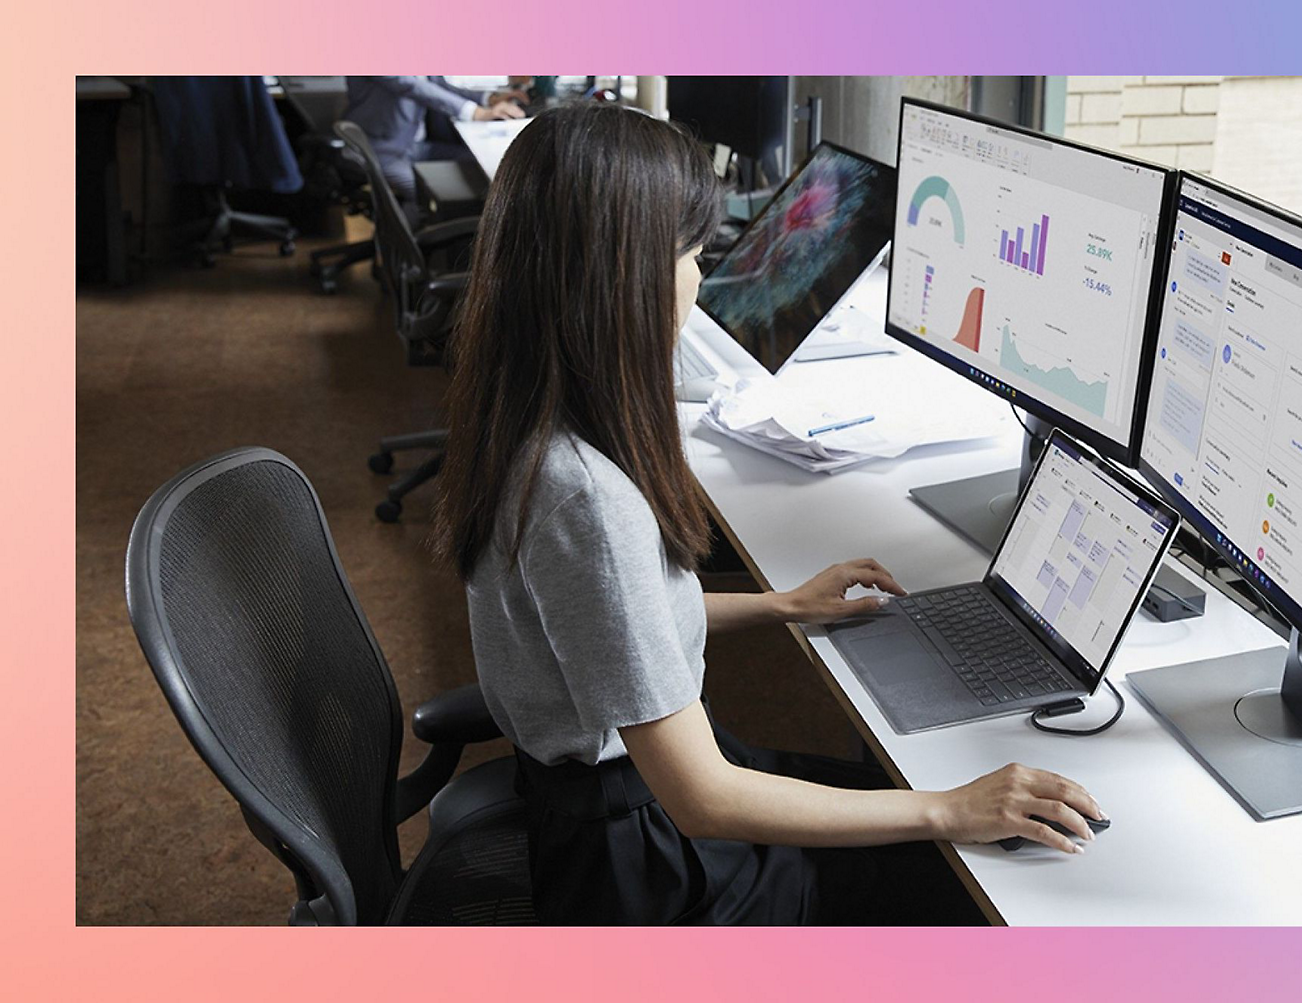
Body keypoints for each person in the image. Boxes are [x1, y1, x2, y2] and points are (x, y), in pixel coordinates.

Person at [432, 104, 1106, 926]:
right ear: (622, 275)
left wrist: (782, 604)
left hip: (618, 802)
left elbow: (610, 622)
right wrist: (945, 808)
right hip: (648, 862)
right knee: (960, 877)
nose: (697, 277)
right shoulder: (587, 497)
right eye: (689, 254)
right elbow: (705, 799)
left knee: (900, 809)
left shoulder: (525, 415)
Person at [341, 76, 525, 202]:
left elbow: (437, 84)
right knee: (426, 194)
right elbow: (410, 85)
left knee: (481, 168)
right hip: (381, 150)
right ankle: (408, 251)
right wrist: (475, 112)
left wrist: (490, 98)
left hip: (414, 146)